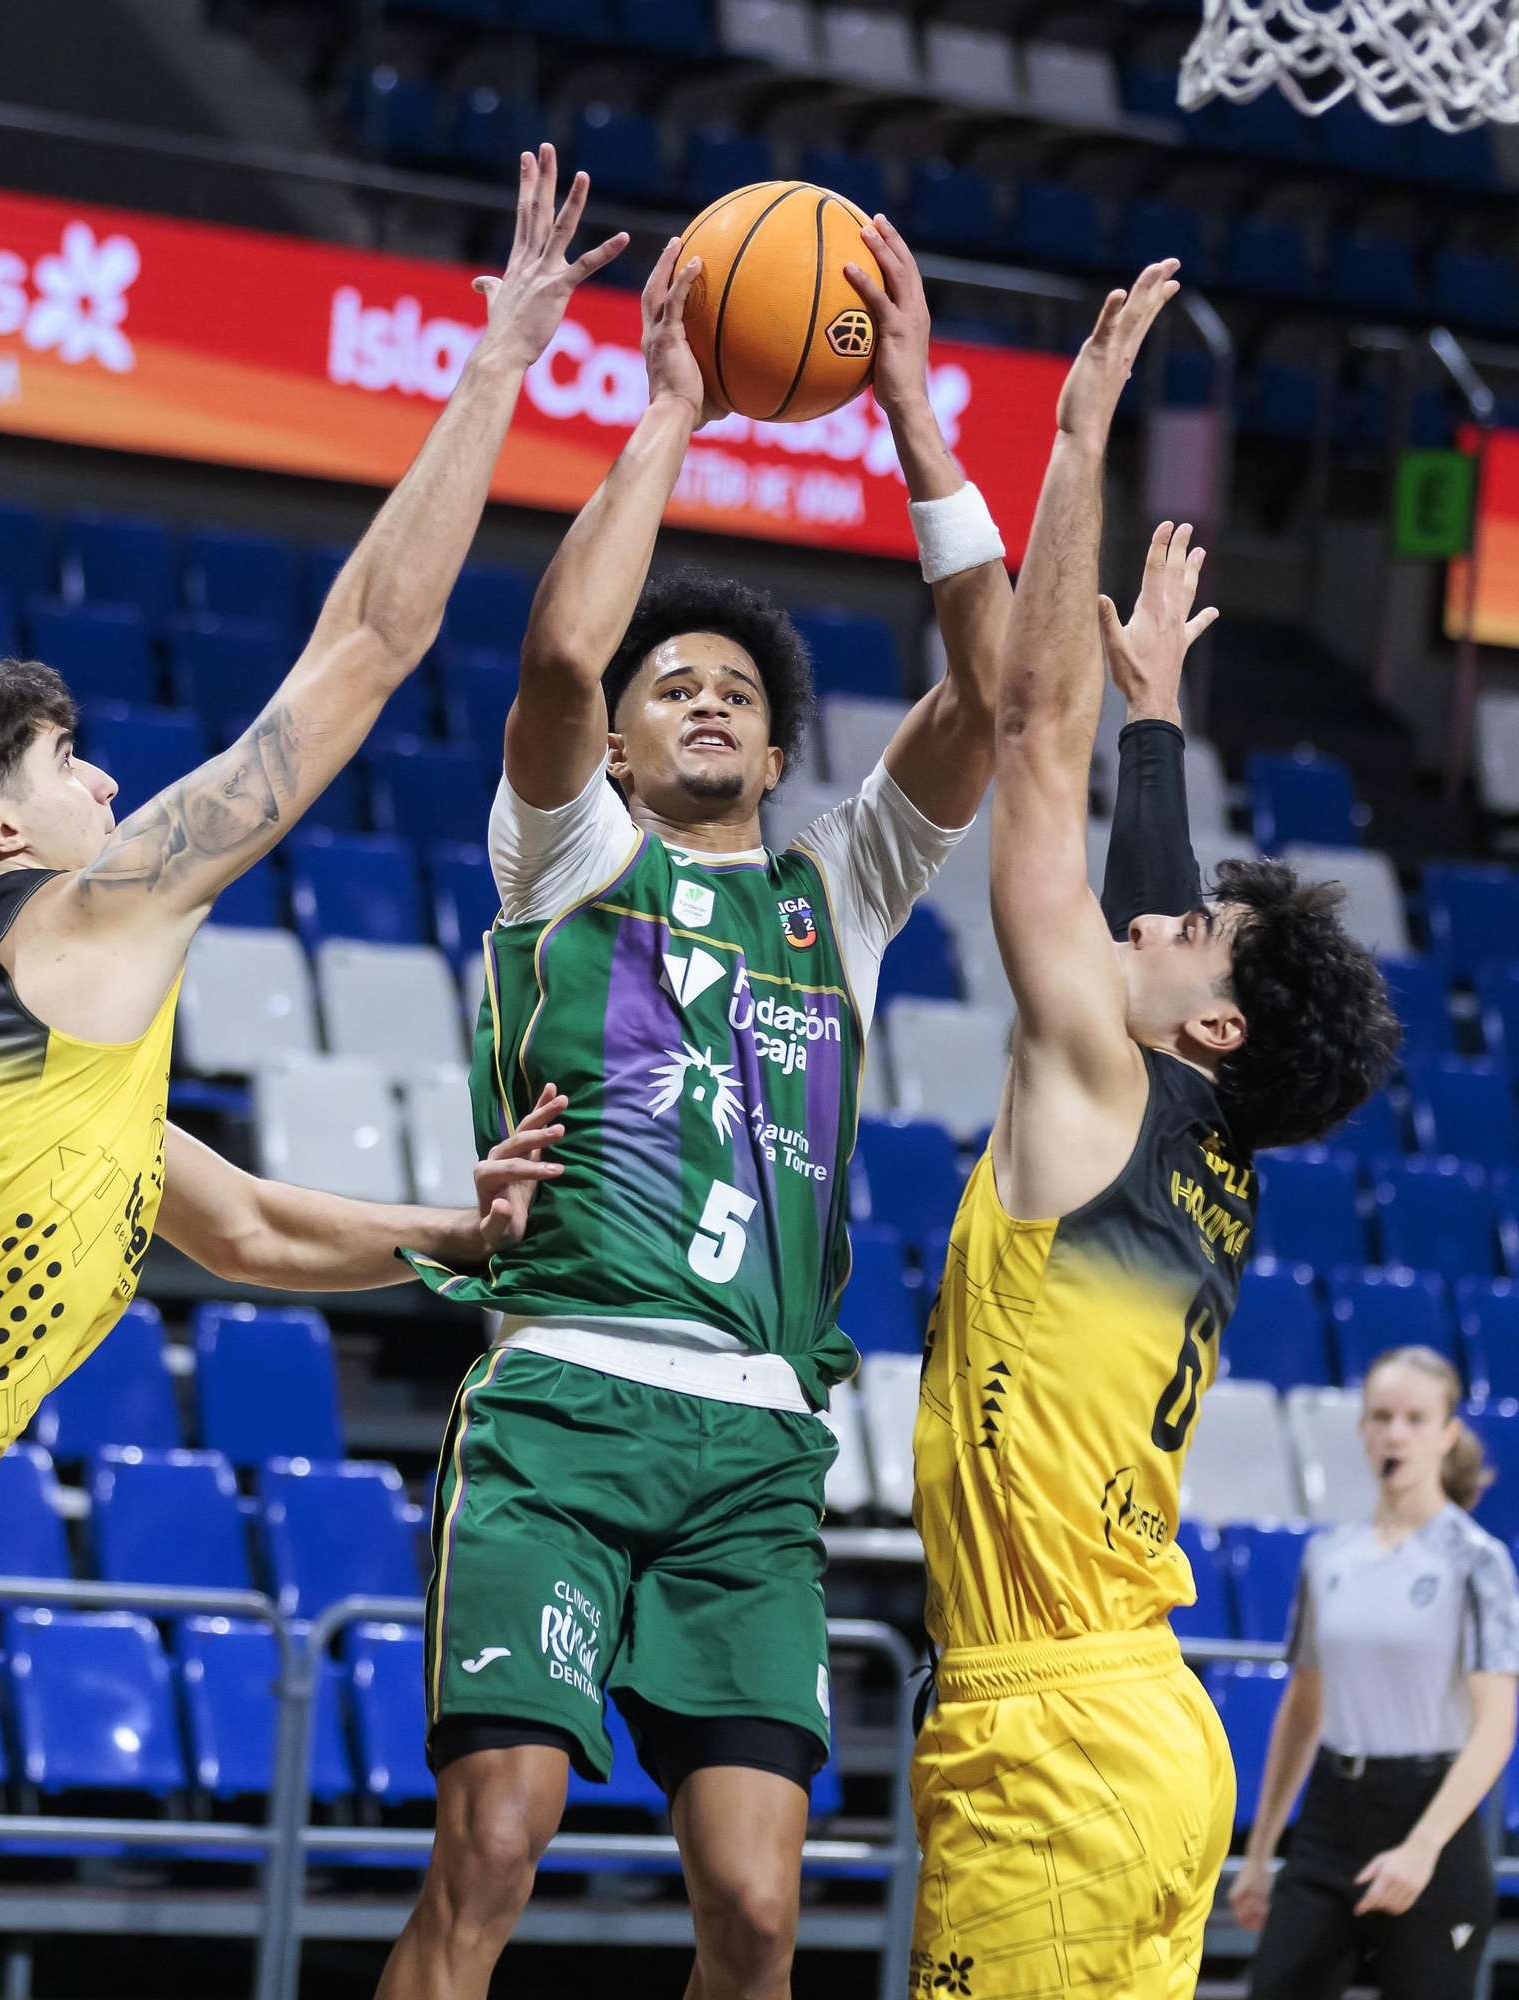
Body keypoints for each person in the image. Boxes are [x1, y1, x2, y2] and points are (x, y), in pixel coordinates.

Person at [0, 147, 624, 1941]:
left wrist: (454, 1242)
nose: (105, 780)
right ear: (1, 838)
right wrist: (494, 369)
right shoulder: (76, 929)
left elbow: (227, 1228)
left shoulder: (11, 1046)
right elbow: (367, 648)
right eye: (66, 766)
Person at [376, 216, 1010, 2000]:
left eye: (737, 687)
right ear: (630, 754)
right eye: (680, 688)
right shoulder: (564, 852)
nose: (706, 695)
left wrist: (913, 407)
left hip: (754, 1455)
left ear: (781, 750)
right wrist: (671, 409)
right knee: (489, 1853)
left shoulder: (846, 894)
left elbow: (1000, 696)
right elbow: (565, 660)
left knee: (757, 1911)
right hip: (565, 1405)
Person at [908, 262, 1401, 2000]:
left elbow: (1027, 736)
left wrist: (1076, 434)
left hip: (1048, 1738)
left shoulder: (1113, 1081)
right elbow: (1152, 905)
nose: (1150, 916)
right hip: (1151, 1733)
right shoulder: (1207, 1142)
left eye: (1187, 934)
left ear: (1213, 1024)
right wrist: (1164, 724)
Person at [1232, 1345, 1519, 1999]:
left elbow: (1496, 1727)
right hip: (1332, 1817)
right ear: (1361, 1427)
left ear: (1447, 1434)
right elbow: (1302, 1710)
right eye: (1381, 1416)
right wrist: (1257, 1856)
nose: (1396, 1433)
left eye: (1416, 1419)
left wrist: (1422, 1848)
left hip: (1433, 1817)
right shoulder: (1327, 1556)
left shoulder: (1477, 1562)